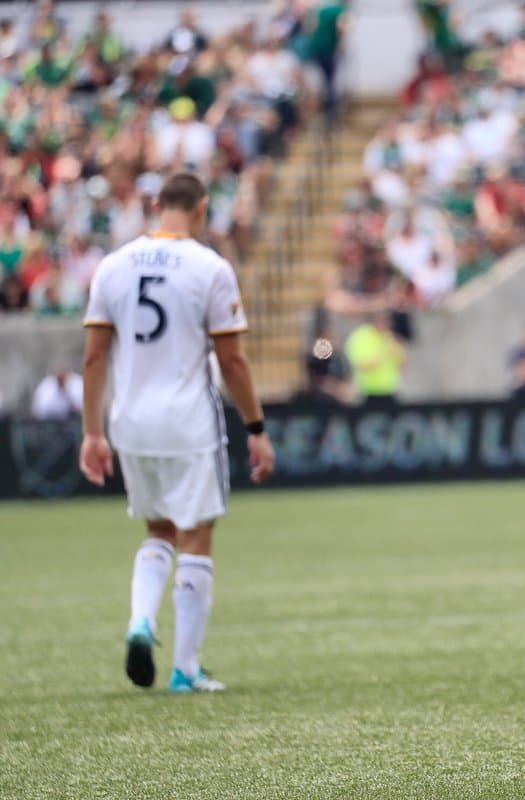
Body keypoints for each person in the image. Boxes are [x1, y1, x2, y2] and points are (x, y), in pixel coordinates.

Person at [78, 173, 276, 693]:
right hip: (187, 419)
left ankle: (140, 620)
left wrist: (92, 433)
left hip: (130, 420)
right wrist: (256, 427)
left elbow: (94, 355)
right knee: (195, 535)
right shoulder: (210, 268)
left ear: (154, 204)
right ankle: (185, 668)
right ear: (202, 208)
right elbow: (231, 361)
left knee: (156, 529)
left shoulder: (113, 266)